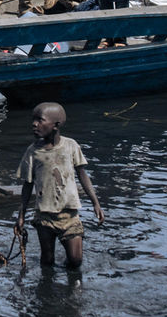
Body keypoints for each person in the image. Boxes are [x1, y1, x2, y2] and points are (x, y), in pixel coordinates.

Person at [15, 102, 102, 268]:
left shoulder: (70, 146)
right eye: (33, 120)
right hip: (44, 216)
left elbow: (83, 176)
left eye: (40, 120)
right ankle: (47, 291)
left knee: (76, 260)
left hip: (69, 215)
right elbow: (27, 186)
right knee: (47, 260)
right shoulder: (33, 152)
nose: (34, 124)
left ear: (56, 125)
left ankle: (71, 289)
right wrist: (21, 216)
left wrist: (95, 203)